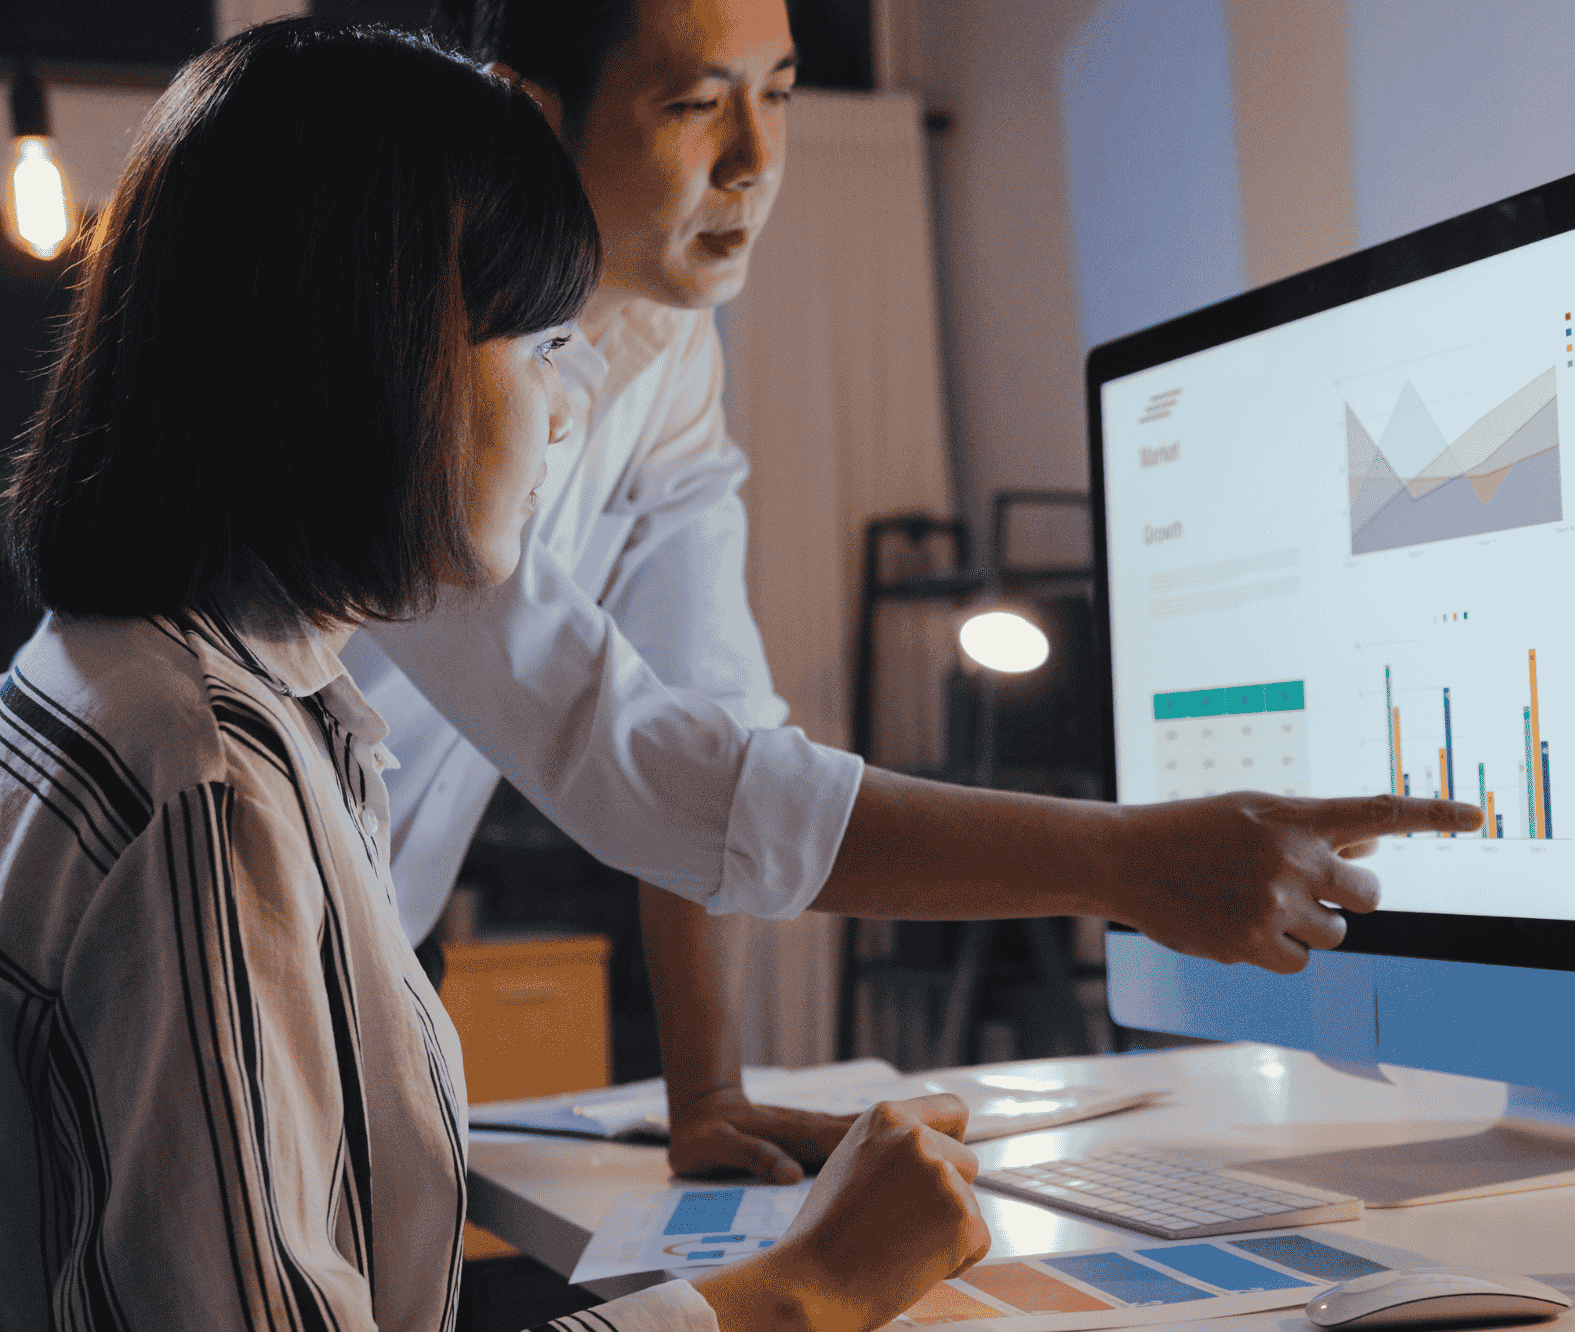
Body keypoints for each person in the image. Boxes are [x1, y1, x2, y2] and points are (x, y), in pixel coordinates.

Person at [374, 0, 1484, 1185]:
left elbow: (712, 713)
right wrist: (1116, 861)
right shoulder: (396, 333)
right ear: (532, 110)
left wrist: (710, 1098)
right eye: (696, 105)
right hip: (222, 903)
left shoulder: (669, 346)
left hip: (377, 940)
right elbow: (637, 762)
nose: (755, 159)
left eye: (781, 93)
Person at [0, 22, 986, 1332]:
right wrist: (801, 1290)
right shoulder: (215, 793)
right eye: (534, 352)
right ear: (366, 357)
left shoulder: (119, 674)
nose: (569, 410)